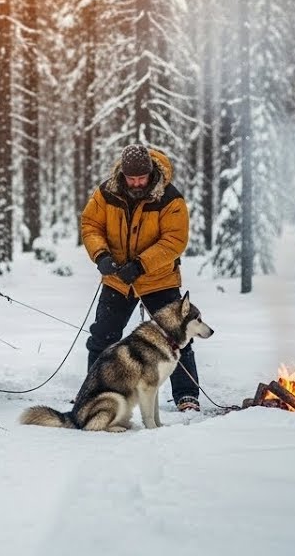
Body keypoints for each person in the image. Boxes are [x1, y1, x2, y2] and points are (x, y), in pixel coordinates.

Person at [80, 143, 201, 412]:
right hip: (117, 281)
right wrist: (100, 255)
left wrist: (141, 264)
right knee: (102, 337)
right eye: (130, 178)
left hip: (159, 279)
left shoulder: (170, 198)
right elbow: (91, 225)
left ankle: (187, 395)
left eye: (141, 177)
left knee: (177, 338)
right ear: (122, 174)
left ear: (150, 173)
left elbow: (174, 241)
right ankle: (93, 393)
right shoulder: (106, 193)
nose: (136, 183)